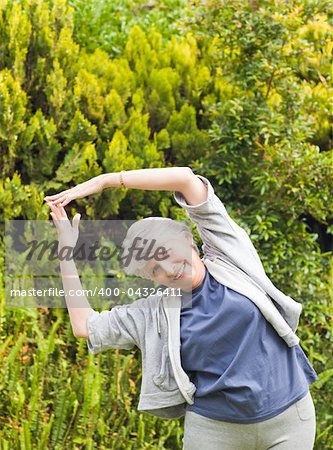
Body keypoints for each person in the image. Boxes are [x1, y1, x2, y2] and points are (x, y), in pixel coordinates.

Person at [45, 167, 317, 450]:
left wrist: (105, 181)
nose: (169, 270)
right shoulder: (153, 313)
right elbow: (83, 326)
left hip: (289, 418)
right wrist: (66, 251)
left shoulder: (230, 256)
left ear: (189, 241)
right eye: (155, 269)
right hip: (215, 430)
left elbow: (186, 179)